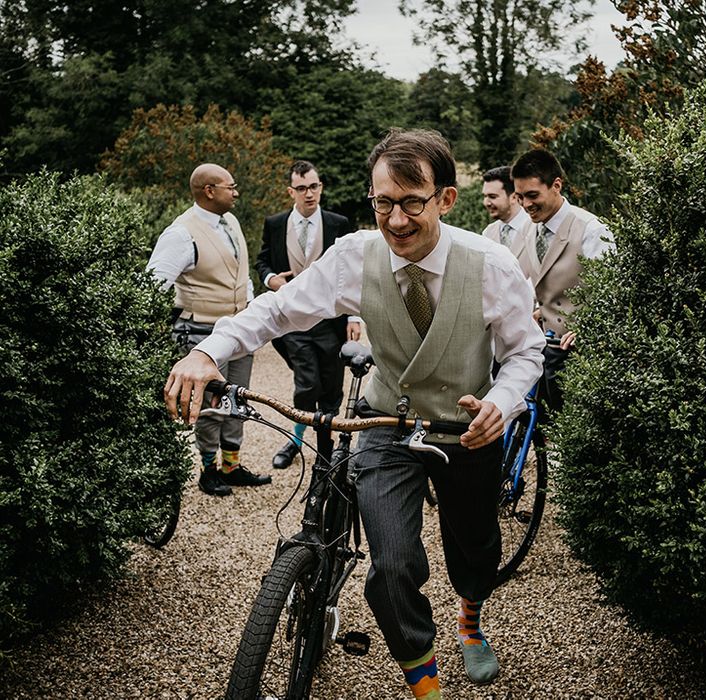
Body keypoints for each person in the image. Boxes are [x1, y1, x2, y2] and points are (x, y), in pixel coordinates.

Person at [164, 129, 544, 699]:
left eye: (412, 201)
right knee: (390, 570)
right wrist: (206, 351)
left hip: (467, 428)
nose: (395, 220)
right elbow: (275, 311)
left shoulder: (489, 264)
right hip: (386, 426)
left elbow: (525, 351)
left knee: (476, 549)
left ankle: (470, 615)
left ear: (445, 198)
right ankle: (427, 686)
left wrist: (500, 403)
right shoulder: (352, 257)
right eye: (383, 202)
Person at [147, 163, 271, 496]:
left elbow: (240, 274)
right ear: (209, 191)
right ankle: (208, 469)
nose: (236, 192)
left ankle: (231, 466)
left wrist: (250, 306)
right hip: (200, 330)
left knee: (238, 399)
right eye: (231, 186)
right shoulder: (180, 234)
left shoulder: (230, 221)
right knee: (209, 404)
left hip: (238, 329)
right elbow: (153, 283)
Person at [256, 160, 360, 469]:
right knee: (307, 385)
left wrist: (355, 316)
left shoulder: (338, 223)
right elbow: (263, 261)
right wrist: (271, 279)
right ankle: (297, 440)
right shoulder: (275, 224)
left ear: (321, 188)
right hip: (292, 317)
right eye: (301, 188)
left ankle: (326, 452)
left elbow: (354, 271)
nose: (309, 194)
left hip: (331, 319)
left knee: (331, 387)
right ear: (292, 191)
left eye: (314, 187)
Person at [511, 148, 615, 412]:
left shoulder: (591, 229)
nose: (526, 205)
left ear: (556, 185)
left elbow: (614, 291)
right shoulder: (526, 228)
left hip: (581, 353)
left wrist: (588, 328)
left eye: (533, 195)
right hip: (542, 348)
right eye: (520, 197)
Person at [480, 165, 529, 256]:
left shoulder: (536, 228)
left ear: (514, 197)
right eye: (485, 196)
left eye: (492, 197)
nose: (486, 202)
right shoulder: (488, 233)